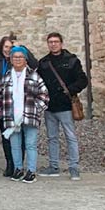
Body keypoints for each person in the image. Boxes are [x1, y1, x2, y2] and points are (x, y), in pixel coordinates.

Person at [36, 32, 88, 180]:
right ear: (48, 44)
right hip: (49, 106)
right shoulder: (44, 62)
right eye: (50, 42)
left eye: (56, 42)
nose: (53, 44)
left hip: (65, 106)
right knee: (52, 137)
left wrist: (69, 91)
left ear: (61, 43)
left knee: (70, 137)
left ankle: (74, 168)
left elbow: (83, 80)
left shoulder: (71, 60)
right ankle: (53, 166)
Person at [0, 46, 49, 184]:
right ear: (11, 59)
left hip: (29, 115)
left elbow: (44, 95)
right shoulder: (7, 77)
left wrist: (35, 109)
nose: (17, 59)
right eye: (15, 57)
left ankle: (31, 171)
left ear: (26, 59)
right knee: (15, 145)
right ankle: (18, 168)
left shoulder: (34, 75)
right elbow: (0, 94)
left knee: (30, 144)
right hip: (12, 116)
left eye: (20, 57)